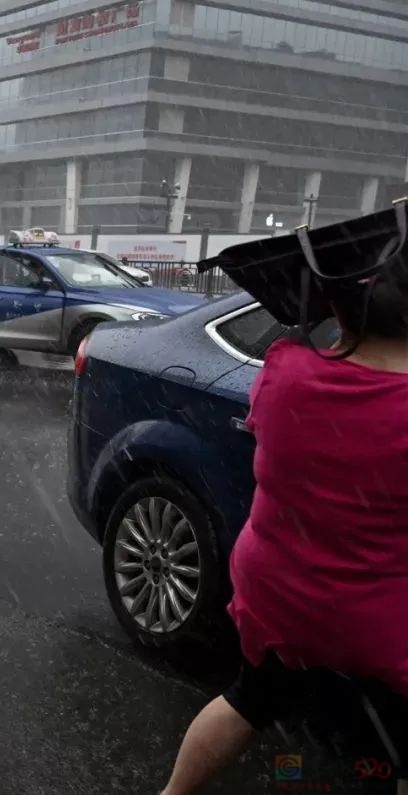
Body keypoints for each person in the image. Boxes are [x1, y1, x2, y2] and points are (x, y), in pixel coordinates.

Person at [160, 247, 408, 794]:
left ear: (340, 313)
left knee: (248, 699)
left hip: (280, 593)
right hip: (379, 616)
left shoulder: (286, 372)